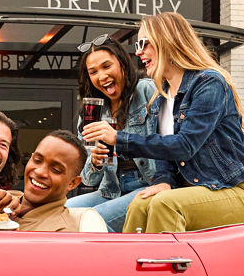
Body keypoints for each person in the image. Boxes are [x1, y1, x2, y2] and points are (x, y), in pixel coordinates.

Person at [82, 12, 244, 233]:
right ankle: (127, 256)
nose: (138, 52)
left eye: (144, 43)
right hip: (195, 191)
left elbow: (184, 145)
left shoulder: (209, 83)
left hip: (237, 191)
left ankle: (162, 257)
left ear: (167, 41)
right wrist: (164, 180)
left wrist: (119, 139)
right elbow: (165, 153)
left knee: (164, 204)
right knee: (140, 203)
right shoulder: (161, 97)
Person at [65, 36, 176, 232]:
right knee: (61, 213)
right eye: (93, 72)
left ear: (122, 64)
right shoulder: (92, 112)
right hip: (111, 190)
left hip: (149, 184)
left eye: (106, 66)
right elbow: (89, 180)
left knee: (92, 222)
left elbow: (168, 140)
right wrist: (95, 162)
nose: (101, 76)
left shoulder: (147, 90)